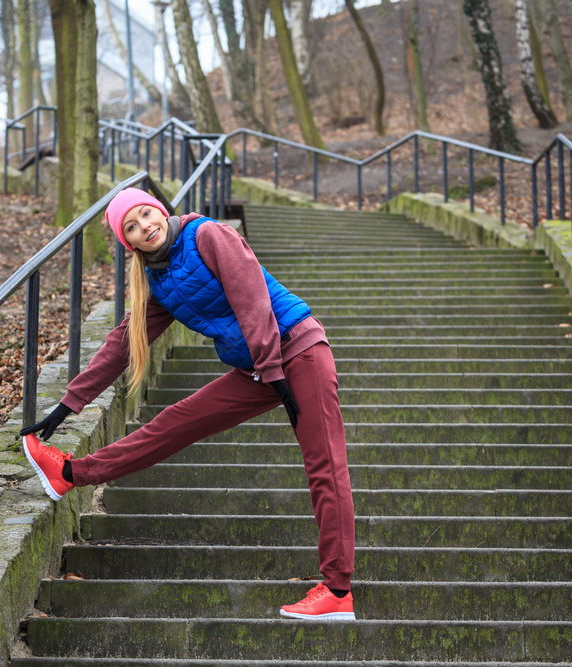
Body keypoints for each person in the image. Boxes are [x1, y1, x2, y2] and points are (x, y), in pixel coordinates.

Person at [20, 187, 356, 621]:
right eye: (133, 228)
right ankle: (69, 473)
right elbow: (124, 341)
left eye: (146, 214)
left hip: (298, 352)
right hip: (257, 370)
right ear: (130, 245)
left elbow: (253, 299)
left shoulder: (207, 235)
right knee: (175, 422)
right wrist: (70, 403)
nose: (146, 227)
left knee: (324, 465)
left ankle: (337, 590)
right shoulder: (156, 282)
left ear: (160, 210)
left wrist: (274, 371)